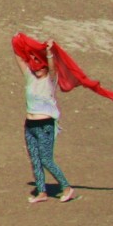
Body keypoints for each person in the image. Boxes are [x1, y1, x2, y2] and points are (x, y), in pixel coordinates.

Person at [18, 40, 76, 204]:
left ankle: (66, 187)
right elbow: (20, 60)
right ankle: (41, 191)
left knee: (46, 158)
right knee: (35, 159)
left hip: (45, 126)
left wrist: (49, 52)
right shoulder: (30, 79)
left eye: (41, 66)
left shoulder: (49, 81)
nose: (38, 69)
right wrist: (17, 41)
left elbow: (52, 68)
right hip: (30, 125)